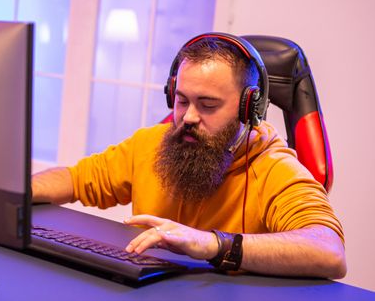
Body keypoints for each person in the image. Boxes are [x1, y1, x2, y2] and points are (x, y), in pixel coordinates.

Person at [32, 33, 346, 279]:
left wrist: (213, 243)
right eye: (182, 101)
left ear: (247, 108)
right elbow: (74, 179)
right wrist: (11, 189)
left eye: (208, 105)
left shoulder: (275, 168)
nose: (188, 117)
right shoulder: (152, 143)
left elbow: (330, 251)